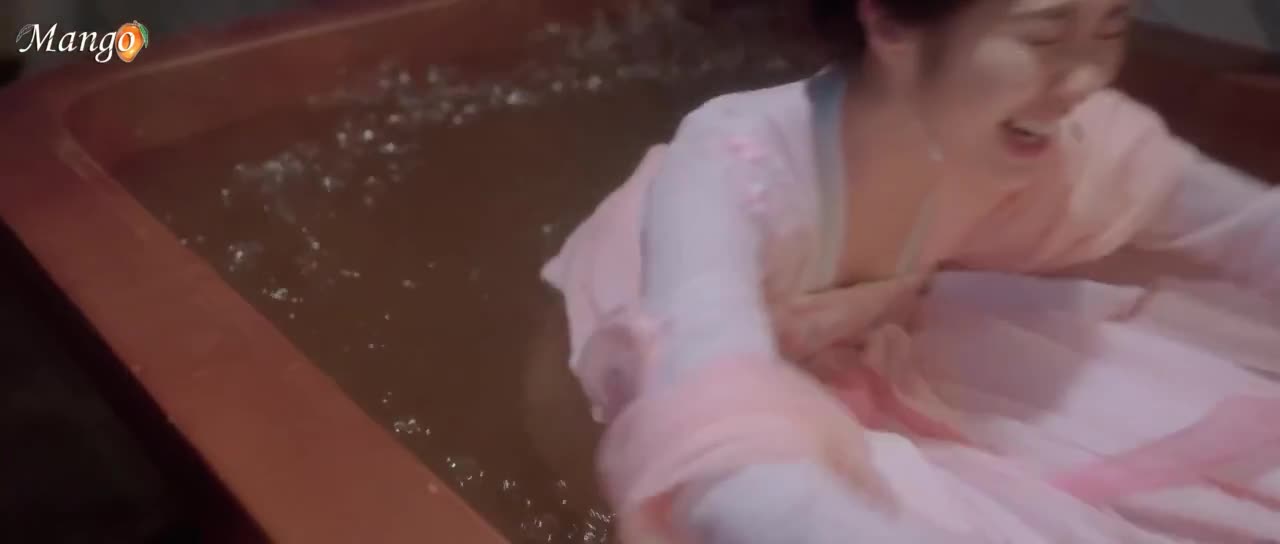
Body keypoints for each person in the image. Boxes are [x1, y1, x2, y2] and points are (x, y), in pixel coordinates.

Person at [536, 0, 1280, 541]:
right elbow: (718, 453)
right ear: (890, 24)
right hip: (673, 366)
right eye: (1046, 36)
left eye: (1112, 27)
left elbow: (1246, 226)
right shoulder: (732, 167)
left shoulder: (1049, 138)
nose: (1086, 76)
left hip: (876, 336)